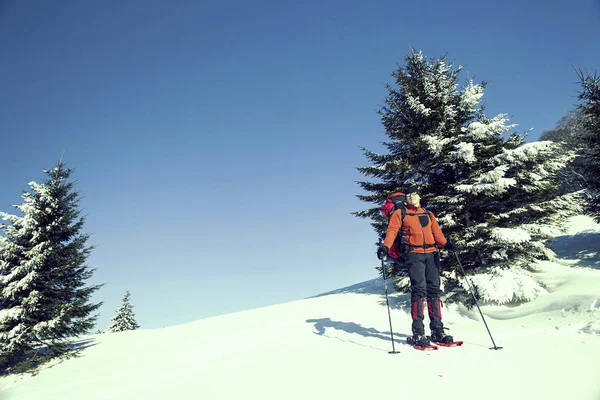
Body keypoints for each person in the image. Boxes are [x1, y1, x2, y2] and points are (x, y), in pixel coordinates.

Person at [378, 185, 457, 346]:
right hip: (414, 255)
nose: (411, 197)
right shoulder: (401, 213)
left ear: (419, 197)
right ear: (405, 198)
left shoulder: (428, 214)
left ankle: (437, 331)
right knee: (419, 290)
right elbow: (392, 231)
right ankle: (418, 333)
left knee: (434, 290)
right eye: (408, 195)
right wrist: (385, 247)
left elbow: (437, 234)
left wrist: (447, 245)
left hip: (432, 254)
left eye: (414, 195)